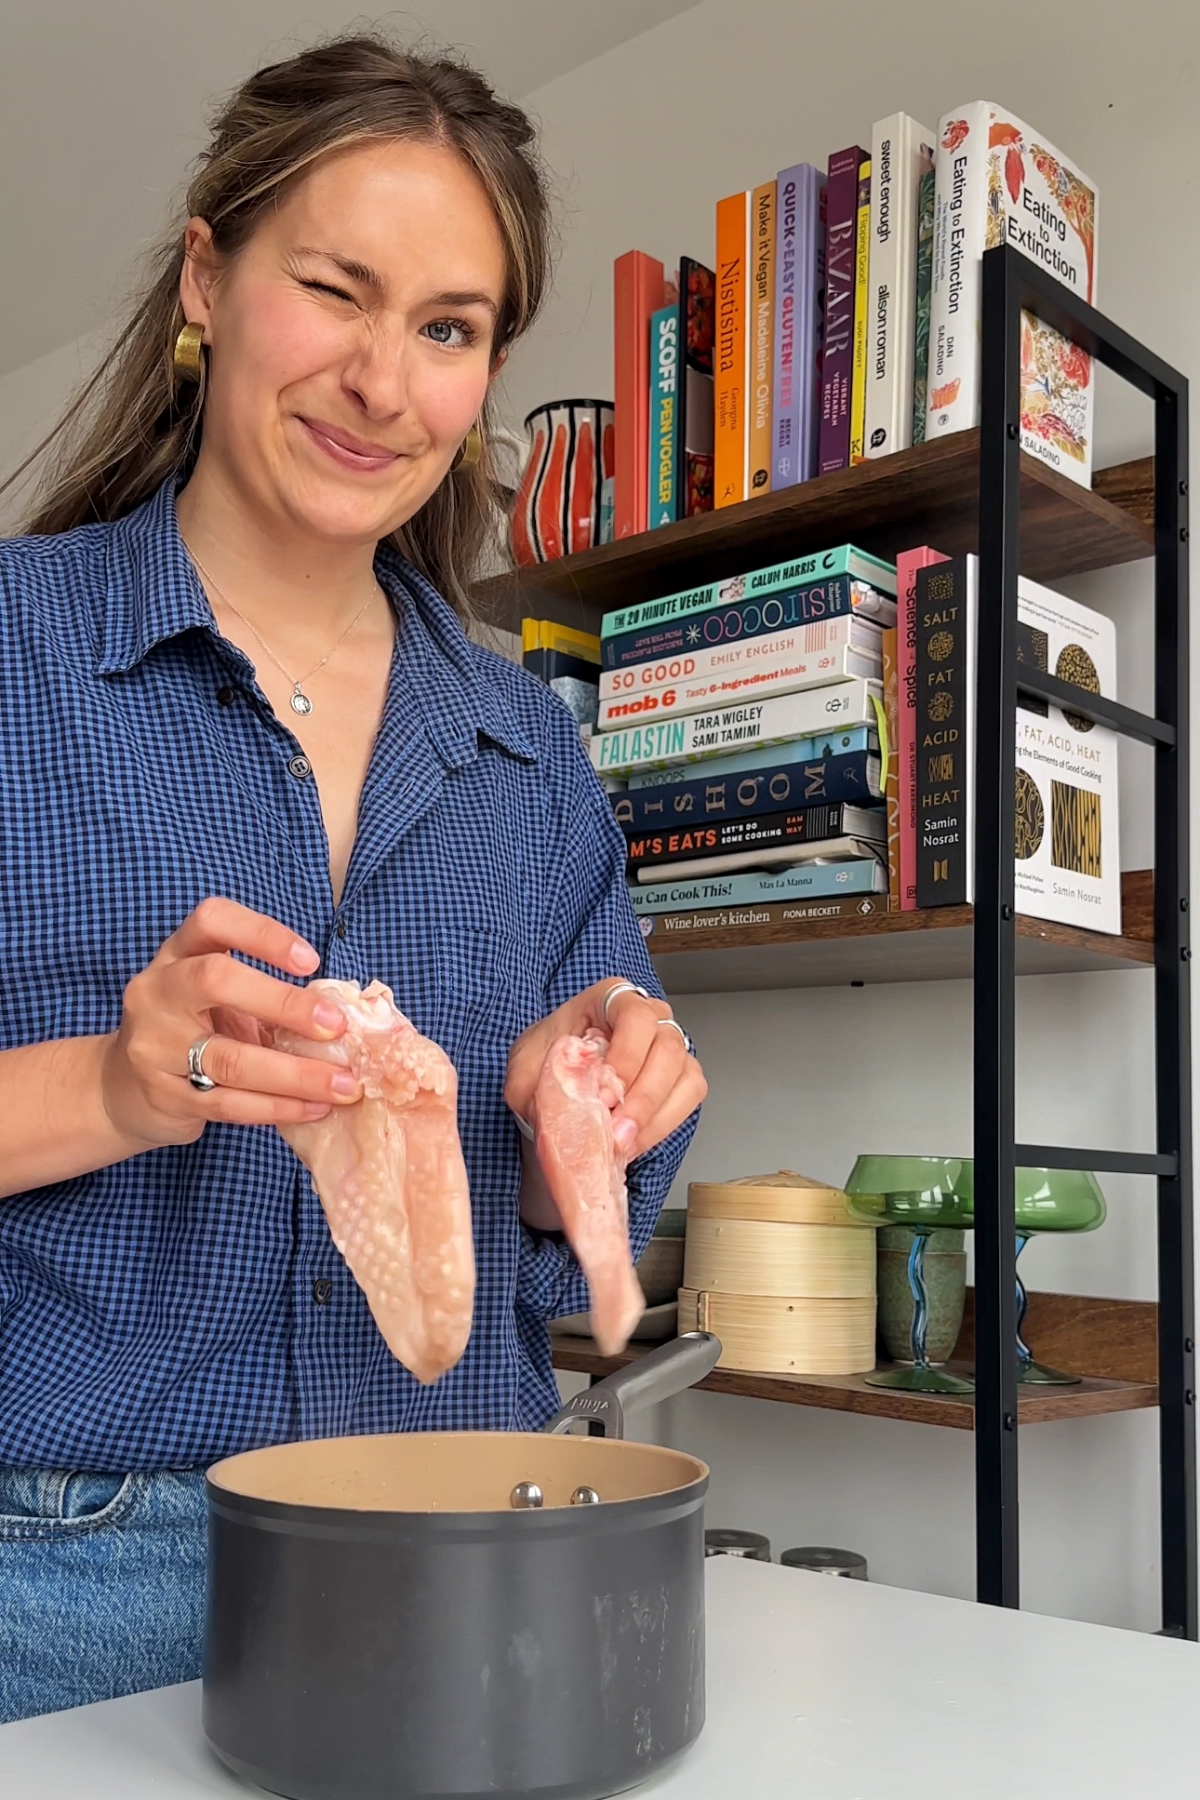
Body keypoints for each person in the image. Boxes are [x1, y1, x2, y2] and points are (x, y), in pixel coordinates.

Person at [0, 34, 705, 1724]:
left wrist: (582, 1124)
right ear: (206, 276)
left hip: (476, 1555)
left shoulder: (534, 755)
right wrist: (114, 1081)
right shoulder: (15, 660)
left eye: (448, 329)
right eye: (337, 290)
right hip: (69, 1581)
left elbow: (580, 1209)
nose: (385, 384)